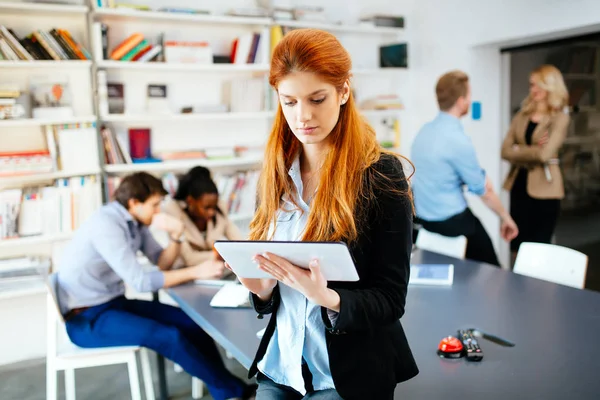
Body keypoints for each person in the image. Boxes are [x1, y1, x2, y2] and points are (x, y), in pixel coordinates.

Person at [229, 29, 418, 400]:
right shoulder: (275, 173)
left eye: (317, 99)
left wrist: (329, 298)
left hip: (346, 374)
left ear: (343, 91)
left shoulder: (380, 175)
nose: (303, 116)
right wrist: (261, 291)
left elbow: (391, 299)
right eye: (290, 102)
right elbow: (273, 289)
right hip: (282, 367)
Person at [57, 172, 256, 400]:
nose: (158, 211)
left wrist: (177, 237)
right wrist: (196, 271)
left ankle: (226, 391)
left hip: (113, 304)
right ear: (134, 203)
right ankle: (235, 391)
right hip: (85, 318)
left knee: (191, 322)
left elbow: (161, 262)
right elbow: (141, 282)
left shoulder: (135, 223)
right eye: (154, 205)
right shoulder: (107, 225)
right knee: (169, 337)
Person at [411, 70, 519, 267]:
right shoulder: (458, 140)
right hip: (451, 223)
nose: (470, 99)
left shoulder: (423, 133)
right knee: (494, 270)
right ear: (461, 101)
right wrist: (505, 218)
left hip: (424, 223)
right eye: (469, 95)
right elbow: (483, 190)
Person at [501, 64, 570, 260]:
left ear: (552, 87)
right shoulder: (522, 115)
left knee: (540, 249)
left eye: (540, 85)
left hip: (546, 189)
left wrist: (518, 149)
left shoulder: (560, 118)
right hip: (519, 185)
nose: (534, 90)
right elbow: (504, 150)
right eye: (532, 85)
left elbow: (544, 155)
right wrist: (532, 149)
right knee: (517, 246)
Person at [161, 166, 242, 279]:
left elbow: (238, 241)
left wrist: (244, 250)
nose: (211, 212)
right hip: (187, 275)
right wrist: (220, 254)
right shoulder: (174, 212)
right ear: (190, 201)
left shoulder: (220, 208)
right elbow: (189, 258)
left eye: (214, 207)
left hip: (217, 272)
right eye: (206, 207)